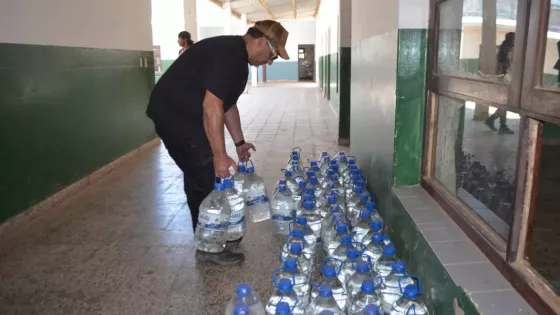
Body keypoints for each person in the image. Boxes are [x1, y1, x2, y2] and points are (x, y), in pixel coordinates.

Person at [146, 20, 290, 265]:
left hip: (186, 114)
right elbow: (211, 106)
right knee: (205, 172)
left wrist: (239, 142)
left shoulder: (237, 58)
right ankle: (208, 248)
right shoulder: (230, 54)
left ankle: (212, 236)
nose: (269, 62)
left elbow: (227, 104)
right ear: (260, 42)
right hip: (175, 114)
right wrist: (219, 156)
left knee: (203, 170)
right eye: (272, 55)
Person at [485, 32, 514, 134]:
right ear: (510, 39)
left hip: (503, 78)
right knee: (505, 103)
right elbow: (506, 65)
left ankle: (500, 124)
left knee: (504, 103)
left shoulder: (504, 47)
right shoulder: (508, 49)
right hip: (505, 79)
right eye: (514, 38)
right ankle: (498, 123)